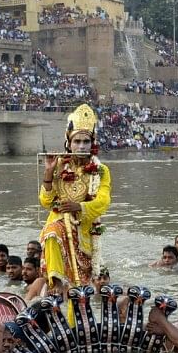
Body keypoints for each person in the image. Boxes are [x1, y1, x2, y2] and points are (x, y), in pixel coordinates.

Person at [39, 104, 112, 298]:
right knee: (52, 233)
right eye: (77, 141)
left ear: (92, 143)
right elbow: (46, 202)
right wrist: (48, 172)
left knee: (79, 289)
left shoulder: (101, 170)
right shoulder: (58, 165)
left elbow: (103, 202)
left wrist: (78, 206)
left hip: (85, 232)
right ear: (69, 143)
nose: (81, 146)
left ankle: (79, 325)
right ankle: (55, 283)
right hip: (59, 223)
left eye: (86, 141)